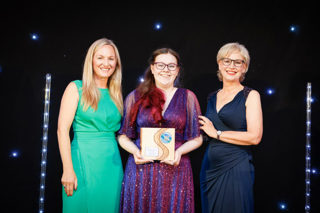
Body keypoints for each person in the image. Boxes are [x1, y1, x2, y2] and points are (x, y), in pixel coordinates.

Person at [118, 48, 203, 212]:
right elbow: (123, 136)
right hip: (141, 170)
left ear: (177, 70)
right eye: (161, 65)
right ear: (152, 68)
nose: (166, 70)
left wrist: (179, 153)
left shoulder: (188, 97)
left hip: (176, 169)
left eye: (171, 66)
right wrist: (135, 152)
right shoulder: (135, 97)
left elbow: (197, 138)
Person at [57, 38, 124, 213]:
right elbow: (62, 130)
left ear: (116, 64)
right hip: (81, 161)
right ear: (91, 61)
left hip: (112, 165)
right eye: (100, 58)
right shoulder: (76, 88)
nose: (106, 63)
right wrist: (68, 170)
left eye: (111, 59)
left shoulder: (116, 95)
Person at [199, 42, 263, 213]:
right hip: (210, 169)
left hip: (237, 168)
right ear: (219, 64)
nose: (232, 66)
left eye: (238, 62)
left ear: (245, 68)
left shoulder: (251, 95)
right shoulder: (212, 97)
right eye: (227, 61)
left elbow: (255, 137)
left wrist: (217, 133)